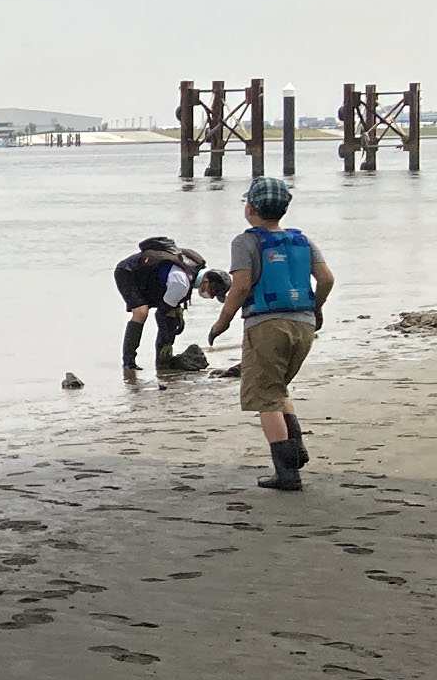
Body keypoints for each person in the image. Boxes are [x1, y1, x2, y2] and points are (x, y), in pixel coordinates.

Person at [205, 176, 335, 492]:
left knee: (265, 397)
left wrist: (221, 323)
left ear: (250, 208)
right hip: (303, 324)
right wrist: (314, 309)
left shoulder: (245, 242)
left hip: (266, 325)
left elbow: (240, 287)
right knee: (278, 389)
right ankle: (296, 448)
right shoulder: (302, 241)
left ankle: (287, 472)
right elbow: (327, 279)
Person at [113, 236, 209, 372]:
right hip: (128, 272)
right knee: (141, 312)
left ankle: (163, 361)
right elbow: (161, 313)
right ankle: (129, 362)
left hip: (151, 279)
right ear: (206, 281)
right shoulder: (182, 282)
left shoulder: (194, 269)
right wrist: (166, 340)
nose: (211, 296)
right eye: (213, 292)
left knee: (172, 310)